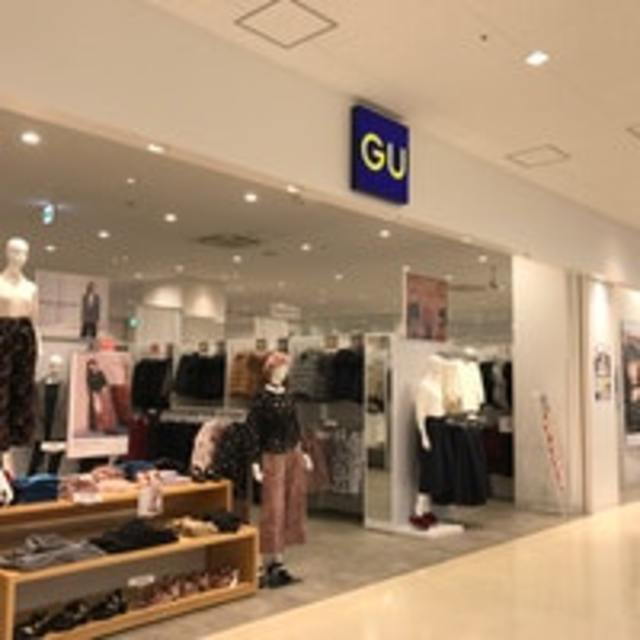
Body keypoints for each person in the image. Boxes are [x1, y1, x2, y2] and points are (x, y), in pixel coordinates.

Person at [86, 359, 117, 434]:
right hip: (96, 393)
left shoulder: (100, 373)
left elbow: (105, 382)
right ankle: (102, 427)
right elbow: (90, 386)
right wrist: (94, 393)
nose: (92, 367)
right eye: (90, 366)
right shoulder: (89, 376)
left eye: (93, 365)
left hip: (104, 392)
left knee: (107, 409)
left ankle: (109, 427)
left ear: (96, 365)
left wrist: (104, 388)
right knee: (99, 410)